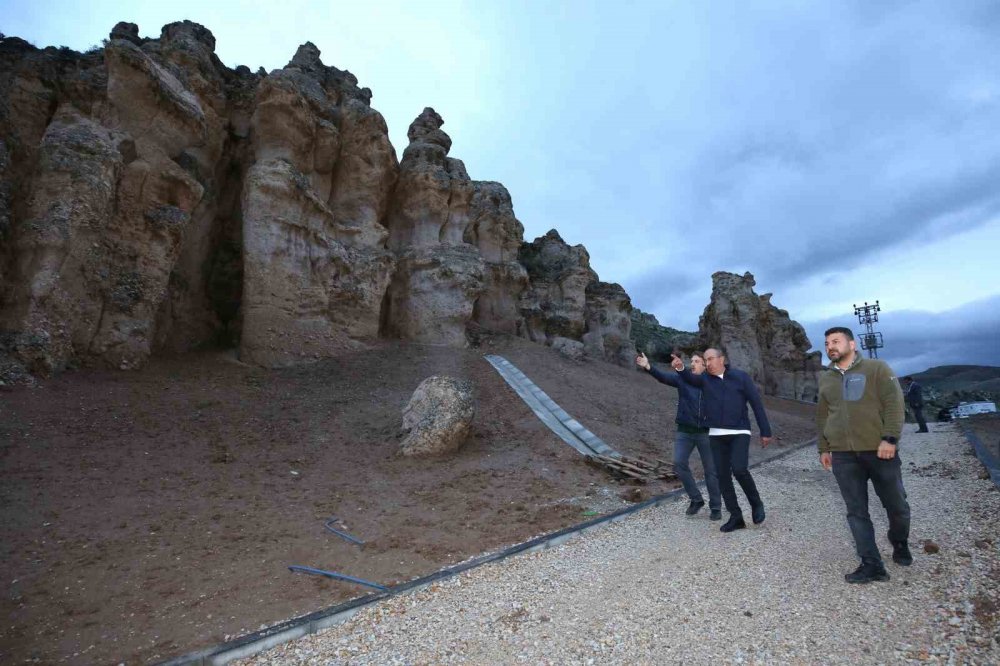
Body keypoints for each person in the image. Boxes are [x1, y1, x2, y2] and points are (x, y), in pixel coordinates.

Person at [818, 327, 911, 584]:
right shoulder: (826, 378)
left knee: (897, 506)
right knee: (856, 511)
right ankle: (872, 564)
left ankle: (899, 541)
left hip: (880, 450)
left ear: (852, 343)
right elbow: (823, 415)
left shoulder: (877, 368)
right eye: (827, 344)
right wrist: (824, 448)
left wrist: (889, 438)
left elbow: (895, 404)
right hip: (843, 456)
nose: (830, 347)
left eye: (835, 342)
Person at [670, 348, 772, 533]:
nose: (707, 363)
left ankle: (756, 504)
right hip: (716, 434)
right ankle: (736, 517)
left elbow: (756, 403)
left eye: (710, 359)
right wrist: (680, 368)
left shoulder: (740, 377)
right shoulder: (705, 379)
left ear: (722, 359)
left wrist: (765, 431)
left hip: (740, 431)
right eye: (705, 360)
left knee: (740, 468)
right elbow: (691, 379)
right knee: (723, 476)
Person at [636, 351, 722, 520]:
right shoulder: (683, 379)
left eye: (697, 361)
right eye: (692, 361)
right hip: (685, 432)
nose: (693, 364)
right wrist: (648, 366)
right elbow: (663, 377)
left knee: (711, 472)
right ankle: (696, 499)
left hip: (706, 434)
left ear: (705, 366)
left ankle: (716, 507)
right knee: (679, 463)